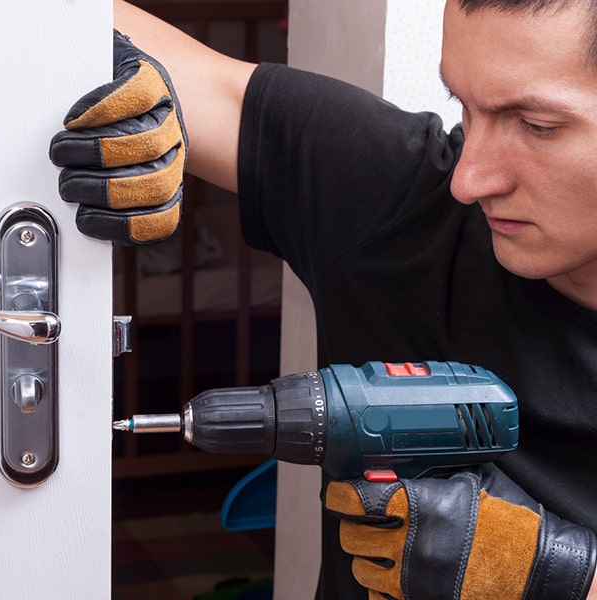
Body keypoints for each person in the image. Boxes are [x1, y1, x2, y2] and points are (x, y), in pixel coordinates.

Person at [49, 0, 597, 598]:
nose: (471, 180)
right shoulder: (404, 199)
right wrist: (127, 84)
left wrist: (562, 578)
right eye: (463, 106)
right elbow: (106, 35)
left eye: (536, 126)